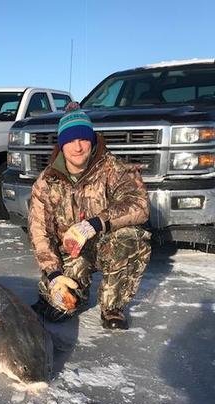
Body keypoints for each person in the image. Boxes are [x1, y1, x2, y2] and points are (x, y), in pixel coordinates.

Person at [28, 102, 151, 329]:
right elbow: (39, 233)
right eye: (70, 141)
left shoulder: (113, 169)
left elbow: (139, 205)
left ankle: (113, 308)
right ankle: (64, 294)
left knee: (133, 237)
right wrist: (53, 273)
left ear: (92, 141)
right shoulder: (46, 182)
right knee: (61, 307)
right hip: (70, 253)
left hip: (106, 244)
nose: (78, 147)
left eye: (83, 139)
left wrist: (96, 223)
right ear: (62, 144)